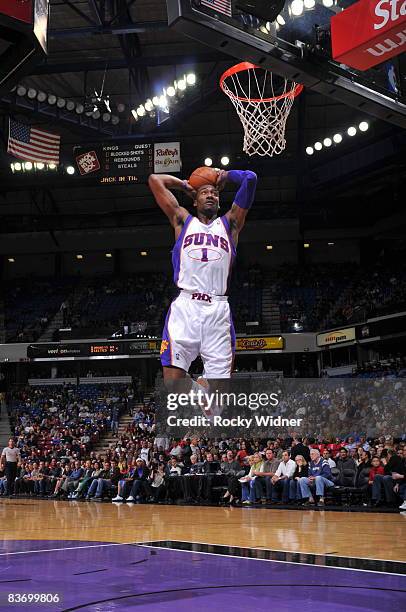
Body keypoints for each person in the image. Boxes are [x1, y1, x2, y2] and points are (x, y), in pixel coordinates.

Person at [148, 168, 257, 385]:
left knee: (219, 400)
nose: (210, 195)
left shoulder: (231, 223)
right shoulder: (182, 220)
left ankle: (208, 392)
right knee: (172, 384)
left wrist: (225, 176)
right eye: (205, 192)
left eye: (215, 193)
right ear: (195, 201)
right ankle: (199, 390)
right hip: (186, 307)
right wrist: (185, 185)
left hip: (217, 309)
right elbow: (154, 180)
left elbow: (250, 178)